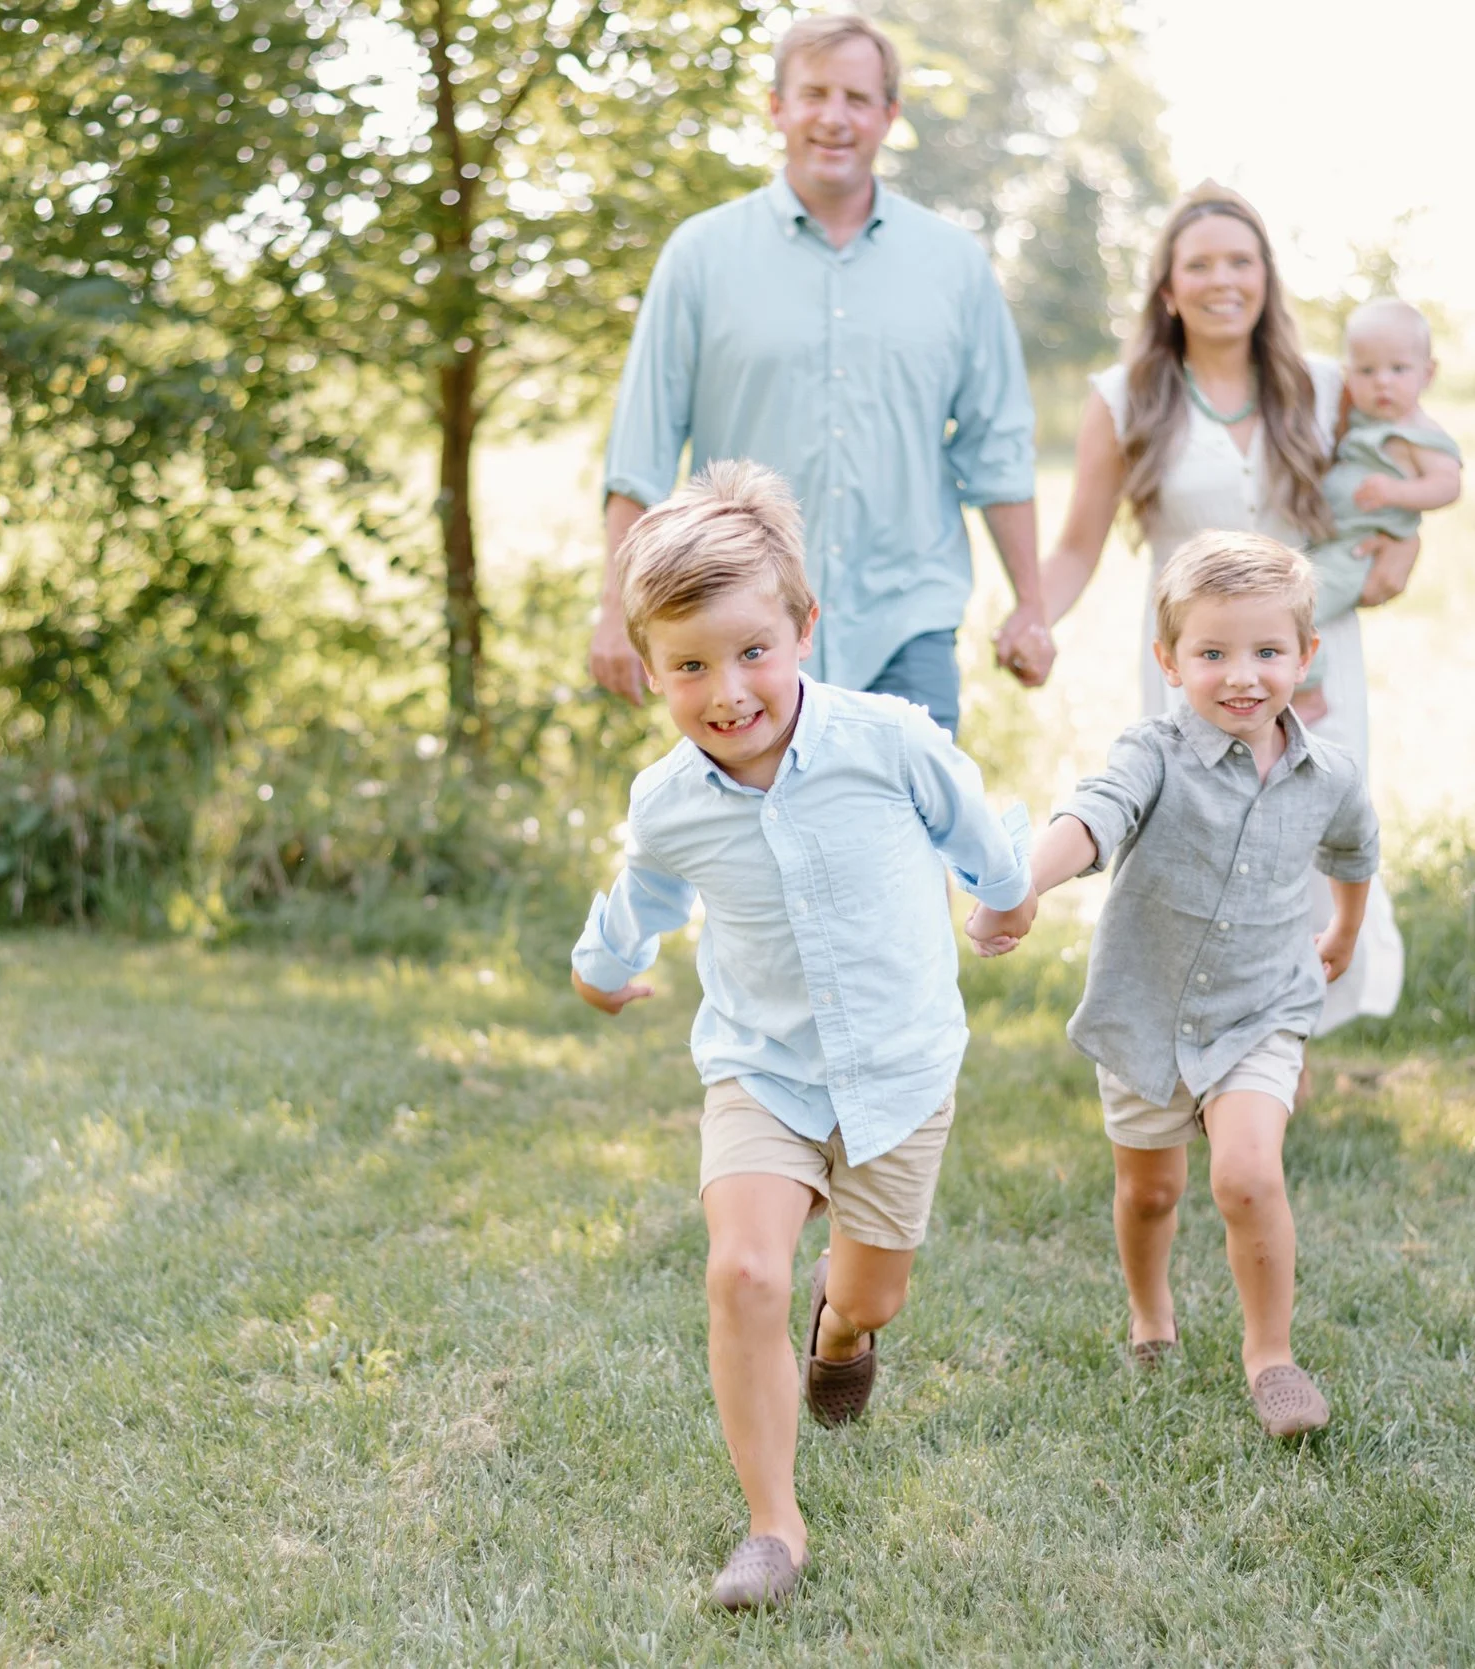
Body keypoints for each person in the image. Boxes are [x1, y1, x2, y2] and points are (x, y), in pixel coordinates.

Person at [570, 461, 1033, 1609]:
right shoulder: (669, 800)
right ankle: (773, 1526)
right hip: (763, 1070)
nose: (727, 692)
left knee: (870, 1296)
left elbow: (972, 827)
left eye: (751, 652)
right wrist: (603, 966)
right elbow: (644, 895)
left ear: (803, 628)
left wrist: (1003, 893)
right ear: (651, 667)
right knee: (741, 1271)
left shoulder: (888, 740)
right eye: (689, 666)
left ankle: (841, 1332)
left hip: (898, 1072)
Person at [966, 532, 1376, 1437]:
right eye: (1213, 653)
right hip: (1147, 1009)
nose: (1243, 676)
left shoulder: (1330, 774)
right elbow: (1093, 815)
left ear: (1306, 654)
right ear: (1169, 660)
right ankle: (1151, 1312)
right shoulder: (1152, 752)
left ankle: (1271, 1356)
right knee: (1151, 1191)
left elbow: (1355, 848)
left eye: (1268, 651)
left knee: (1248, 1173)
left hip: (1262, 1008)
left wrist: (1344, 930)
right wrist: (1022, 885)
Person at [590, 12, 1050, 736]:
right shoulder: (700, 256)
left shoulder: (954, 265)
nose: (834, 118)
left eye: (858, 99)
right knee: (754, 817)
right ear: (777, 107)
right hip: (737, 634)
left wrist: (1031, 603)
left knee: (911, 814)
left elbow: (998, 449)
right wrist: (615, 608)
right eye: (814, 94)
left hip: (906, 625)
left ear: (889, 115)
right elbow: (640, 452)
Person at [1033, 180, 1408, 1043]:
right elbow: (1077, 546)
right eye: (1199, 264)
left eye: (1241, 261)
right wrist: (1032, 620)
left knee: (1309, 832)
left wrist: (1401, 547)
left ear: (1266, 278)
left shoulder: (1324, 389)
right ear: (1168, 287)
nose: (1222, 280)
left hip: (1308, 655)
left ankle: (1283, 1047)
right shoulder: (1123, 398)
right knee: (1200, 841)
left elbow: (1394, 479)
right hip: (1195, 663)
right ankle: (1201, 1039)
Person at [1291, 296, 1462, 724]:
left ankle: (1310, 691)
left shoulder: (1418, 433)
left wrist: (1397, 492)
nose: (1382, 383)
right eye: (1366, 372)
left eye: (1398, 369)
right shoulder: (1364, 421)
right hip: (1330, 540)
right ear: (1348, 376)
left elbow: (1448, 485)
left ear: (1428, 374)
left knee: (1297, 609)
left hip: (1358, 549)